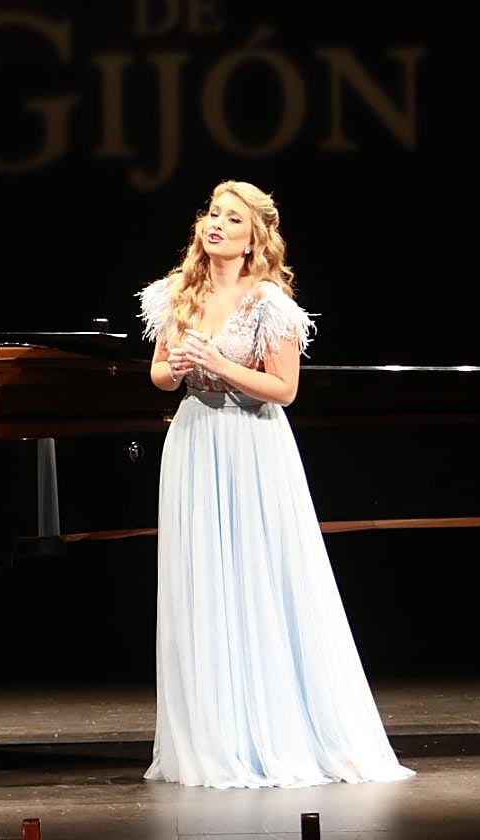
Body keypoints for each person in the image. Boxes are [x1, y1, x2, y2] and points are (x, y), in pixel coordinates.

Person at [137, 181, 414, 788]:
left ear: (253, 238)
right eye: (212, 214)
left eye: (232, 220)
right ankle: (212, 734)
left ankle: (272, 728)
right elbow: (158, 373)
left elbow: (285, 389)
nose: (216, 226)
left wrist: (222, 365)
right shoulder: (178, 293)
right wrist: (176, 369)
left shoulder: (270, 303)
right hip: (193, 441)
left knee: (258, 573)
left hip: (251, 443)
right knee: (201, 579)